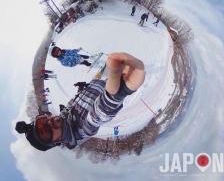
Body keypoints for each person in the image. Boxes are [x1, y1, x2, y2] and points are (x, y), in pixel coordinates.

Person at [15, 52, 145, 151]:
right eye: (46, 132)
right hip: (109, 87)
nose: (49, 123)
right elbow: (98, 115)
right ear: (56, 142)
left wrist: (82, 88)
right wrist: (114, 96)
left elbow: (77, 102)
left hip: (97, 83)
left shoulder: (64, 117)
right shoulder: (82, 129)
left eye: (43, 121)